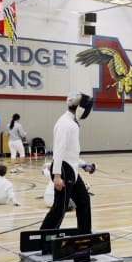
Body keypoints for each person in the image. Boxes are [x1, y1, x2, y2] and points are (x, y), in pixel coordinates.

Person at [40, 92, 96, 234]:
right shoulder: (66, 124)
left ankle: (84, 234)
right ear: (80, 108)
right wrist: (57, 175)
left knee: (83, 201)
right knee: (60, 207)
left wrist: (84, 165)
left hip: (71, 169)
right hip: (64, 170)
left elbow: (70, 152)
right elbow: (59, 151)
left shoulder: (72, 122)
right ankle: (44, 238)